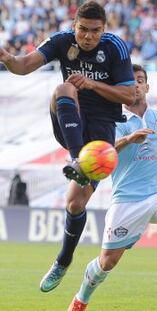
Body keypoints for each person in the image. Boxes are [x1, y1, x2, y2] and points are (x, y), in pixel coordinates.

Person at [0, 1, 136, 292]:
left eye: (95, 31)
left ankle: (63, 260)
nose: (88, 37)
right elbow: (23, 65)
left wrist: (93, 84)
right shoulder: (62, 41)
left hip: (101, 132)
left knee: (75, 203)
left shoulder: (116, 48)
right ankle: (77, 160)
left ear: (104, 29)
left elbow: (129, 95)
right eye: (83, 30)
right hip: (70, 123)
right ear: (74, 26)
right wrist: (7, 57)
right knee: (63, 88)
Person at [67, 64, 157, 311]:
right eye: (129, 81)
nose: (135, 84)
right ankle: (81, 299)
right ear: (121, 89)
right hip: (127, 200)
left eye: (139, 80)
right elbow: (101, 153)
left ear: (147, 86)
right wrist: (128, 139)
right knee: (107, 263)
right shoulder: (113, 120)